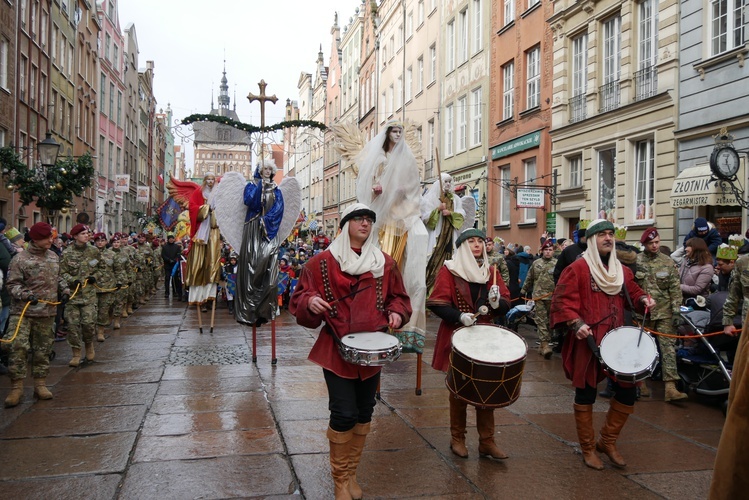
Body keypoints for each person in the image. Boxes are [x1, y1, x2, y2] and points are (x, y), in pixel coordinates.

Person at [289, 203, 412, 500]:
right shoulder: (320, 263)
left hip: (373, 351)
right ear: (344, 227)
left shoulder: (384, 263)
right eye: (358, 219)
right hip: (336, 349)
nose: (365, 224)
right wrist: (310, 302)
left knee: (364, 411)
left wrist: (397, 313)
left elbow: (399, 298)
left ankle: (351, 473)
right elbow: (300, 299)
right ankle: (340, 480)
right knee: (343, 413)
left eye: (369, 219)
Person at [550, 219, 654, 470]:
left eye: (611, 234)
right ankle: (587, 448)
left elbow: (634, 293)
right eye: (602, 235)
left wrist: (644, 300)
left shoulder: (622, 270)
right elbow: (561, 302)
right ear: (591, 240)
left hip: (618, 340)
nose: (608, 238)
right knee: (586, 393)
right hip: (588, 340)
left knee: (628, 391)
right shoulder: (577, 269)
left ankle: (607, 441)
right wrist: (576, 323)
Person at [427, 228, 511, 460]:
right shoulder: (450, 270)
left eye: (480, 241)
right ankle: (458, 438)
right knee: (459, 388)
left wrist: (497, 303)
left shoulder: (491, 272)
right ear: (463, 246)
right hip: (458, 335)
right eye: (471, 241)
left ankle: (487, 441)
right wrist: (458, 316)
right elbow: (436, 302)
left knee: (488, 387)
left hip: (485, 336)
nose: (477, 245)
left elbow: (506, 302)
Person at [355, 120, 427, 351]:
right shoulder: (380, 158)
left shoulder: (407, 159)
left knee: (398, 263)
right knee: (380, 261)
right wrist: (377, 188)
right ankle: (376, 306)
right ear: (387, 134)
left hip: (401, 217)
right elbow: (369, 183)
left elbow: (413, 185)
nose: (397, 134)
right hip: (383, 218)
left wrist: (401, 190)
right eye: (393, 131)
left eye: (400, 131)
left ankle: (398, 308)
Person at [4, 222, 70, 407]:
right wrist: (26, 295)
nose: (51, 240)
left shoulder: (53, 257)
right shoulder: (20, 259)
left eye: (51, 237)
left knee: (43, 350)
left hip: (47, 312)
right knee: (18, 348)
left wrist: (64, 290)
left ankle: (40, 384)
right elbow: (12, 284)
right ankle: (16, 388)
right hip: (23, 312)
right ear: (35, 239)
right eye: (47, 237)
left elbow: (58, 277)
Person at [634, 227, 688, 402]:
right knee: (641, 347)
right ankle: (641, 382)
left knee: (668, 349)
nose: (655, 246)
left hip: (664, 312)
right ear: (644, 244)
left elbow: (675, 289)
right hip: (643, 314)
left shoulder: (667, 262)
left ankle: (670, 387)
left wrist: (676, 311)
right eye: (651, 243)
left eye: (657, 242)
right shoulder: (636, 262)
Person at [236, 160, 286, 326]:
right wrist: (260, 187)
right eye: (264, 168)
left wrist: (267, 221)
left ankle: (266, 310)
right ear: (260, 170)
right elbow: (251, 202)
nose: (267, 171)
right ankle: (250, 311)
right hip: (253, 231)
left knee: (270, 273)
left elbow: (279, 209)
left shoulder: (276, 190)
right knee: (252, 269)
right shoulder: (251, 186)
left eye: (270, 169)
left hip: (269, 232)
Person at [60, 224, 99, 366]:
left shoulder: (94, 251)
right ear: (75, 236)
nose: (86, 235)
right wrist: (72, 280)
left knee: (88, 324)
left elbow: (100, 267)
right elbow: (62, 272)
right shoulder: (67, 253)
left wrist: (95, 276)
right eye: (82, 233)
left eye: (87, 233)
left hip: (88, 295)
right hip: (73, 295)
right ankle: (76, 353)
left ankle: (89, 345)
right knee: (72, 325)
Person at [421, 172, 467, 291]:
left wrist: (451, 213)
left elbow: (462, 214)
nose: (447, 184)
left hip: (450, 236)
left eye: (449, 182)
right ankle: (430, 289)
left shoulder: (456, 199)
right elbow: (425, 218)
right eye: (445, 182)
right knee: (432, 259)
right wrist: (438, 209)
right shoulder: (430, 198)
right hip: (436, 235)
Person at [183, 173, 222, 308]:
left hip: (214, 229)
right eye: (208, 179)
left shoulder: (219, 194)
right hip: (201, 231)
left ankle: (210, 296)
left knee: (212, 261)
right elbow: (192, 208)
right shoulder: (198, 193)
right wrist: (205, 208)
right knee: (199, 261)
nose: (211, 182)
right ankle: (198, 295)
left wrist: (216, 211)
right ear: (205, 181)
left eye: (213, 179)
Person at [521, 240, 557, 359]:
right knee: (541, 320)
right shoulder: (536, 263)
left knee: (550, 321)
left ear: (553, 251)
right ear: (542, 251)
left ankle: (543, 344)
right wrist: (523, 289)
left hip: (553, 297)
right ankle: (546, 345)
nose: (547, 252)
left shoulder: (557, 264)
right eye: (545, 250)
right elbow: (529, 277)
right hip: (539, 296)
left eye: (550, 250)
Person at [92, 232, 117, 342]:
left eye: (102, 240)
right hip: (93, 286)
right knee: (92, 310)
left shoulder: (112, 254)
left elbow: (117, 269)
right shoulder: (91, 253)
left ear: (106, 241)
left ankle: (100, 331)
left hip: (108, 286)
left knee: (104, 310)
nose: (100, 243)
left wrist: (119, 282)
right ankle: (93, 329)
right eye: (97, 241)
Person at [680, 237, 714, 303]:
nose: (686, 249)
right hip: (682, 300)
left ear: (696, 249)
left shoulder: (707, 268)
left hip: (696, 303)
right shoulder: (685, 261)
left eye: (689, 246)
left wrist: (678, 286)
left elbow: (697, 289)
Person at [161, 233, 182, 299]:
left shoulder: (177, 247)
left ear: (174, 239)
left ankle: (175, 292)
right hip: (167, 265)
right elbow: (163, 255)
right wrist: (168, 260)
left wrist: (174, 260)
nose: (171, 240)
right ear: (168, 239)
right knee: (167, 278)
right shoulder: (164, 247)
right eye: (170, 239)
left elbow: (178, 254)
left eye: (172, 239)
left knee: (175, 279)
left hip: (174, 265)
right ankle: (167, 292)